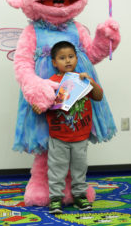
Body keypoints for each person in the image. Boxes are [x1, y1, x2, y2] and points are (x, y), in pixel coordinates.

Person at [32, 41, 103, 214]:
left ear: (77, 59)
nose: (68, 61)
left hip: (80, 135)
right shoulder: (50, 83)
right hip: (58, 136)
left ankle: (80, 195)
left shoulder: (83, 79)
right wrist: (37, 106)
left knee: (80, 168)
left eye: (71, 56)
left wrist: (91, 82)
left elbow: (99, 97)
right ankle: (55, 198)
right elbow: (41, 103)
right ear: (54, 62)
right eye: (62, 58)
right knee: (57, 169)